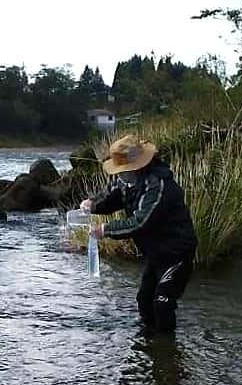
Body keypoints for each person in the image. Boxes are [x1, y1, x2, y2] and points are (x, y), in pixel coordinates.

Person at [81, 134, 197, 333]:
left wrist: (105, 230)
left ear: (138, 166)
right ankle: (149, 342)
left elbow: (140, 222)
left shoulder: (158, 185)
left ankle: (166, 346)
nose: (120, 175)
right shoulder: (128, 181)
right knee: (144, 300)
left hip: (176, 252)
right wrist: (92, 204)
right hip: (155, 252)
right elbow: (113, 196)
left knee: (163, 302)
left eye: (123, 170)